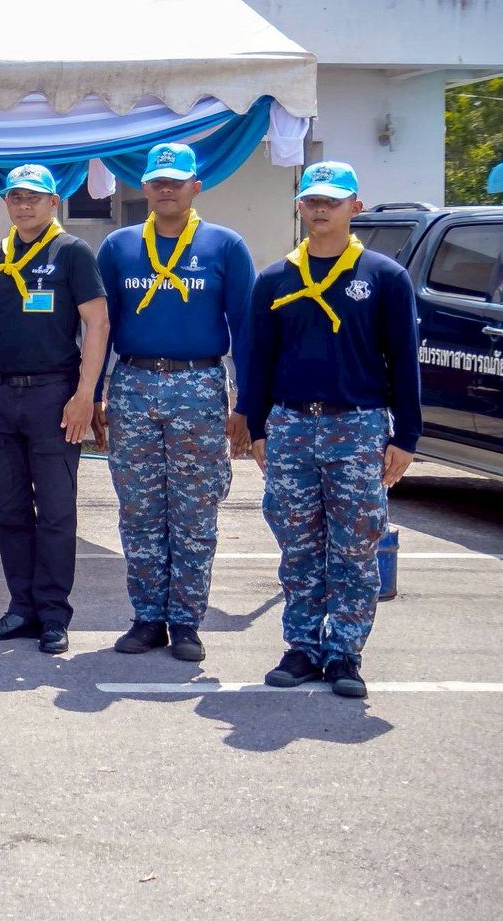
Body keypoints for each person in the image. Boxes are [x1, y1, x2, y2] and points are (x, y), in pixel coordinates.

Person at [240, 161, 420, 698]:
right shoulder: (275, 278)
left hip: (358, 425)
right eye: (312, 200)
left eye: (332, 201)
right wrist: (257, 428)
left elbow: (403, 360)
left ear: (354, 208)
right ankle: (301, 647)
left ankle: (344, 652)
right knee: (297, 543)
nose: (321, 209)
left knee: (355, 545)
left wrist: (405, 437)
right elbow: (257, 359)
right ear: (299, 205)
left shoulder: (384, 277)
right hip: (292, 425)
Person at [94, 143, 255, 662]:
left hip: (199, 385)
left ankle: (186, 621)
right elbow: (100, 328)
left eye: (176, 181)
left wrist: (247, 405)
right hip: (133, 383)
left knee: (195, 511)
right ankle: (147, 618)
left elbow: (246, 329)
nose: (166, 189)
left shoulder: (225, 245)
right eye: (158, 181)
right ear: (144, 187)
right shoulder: (118, 246)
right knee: (138, 509)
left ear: (195, 187)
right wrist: (92, 393)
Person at [0, 164, 108, 654]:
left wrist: (85, 395)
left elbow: (97, 324)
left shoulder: (72, 252)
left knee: (54, 511)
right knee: (10, 511)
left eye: (34, 197)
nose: (24, 204)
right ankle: (21, 608)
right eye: (16, 197)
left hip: (55, 395)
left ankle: (53, 614)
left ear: (54, 202)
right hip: (5, 396)